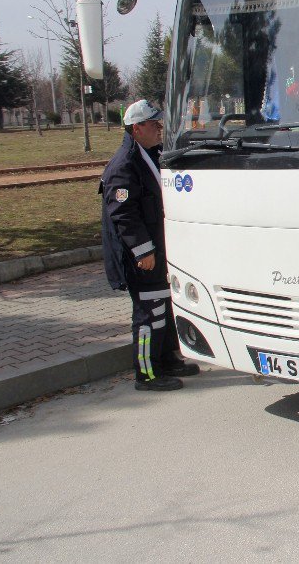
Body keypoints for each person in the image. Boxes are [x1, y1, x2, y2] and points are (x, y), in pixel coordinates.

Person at [100, 100, 199, 391]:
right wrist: (143, 251)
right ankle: (147, 373)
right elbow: (123, 215)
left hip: (159, 251)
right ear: (136, 128)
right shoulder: (124, 166)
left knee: (164, 308)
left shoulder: (151, 155)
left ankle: (167, 359)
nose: (159, 129)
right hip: (142, 257)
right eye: (153, 124)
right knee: (148, 315)